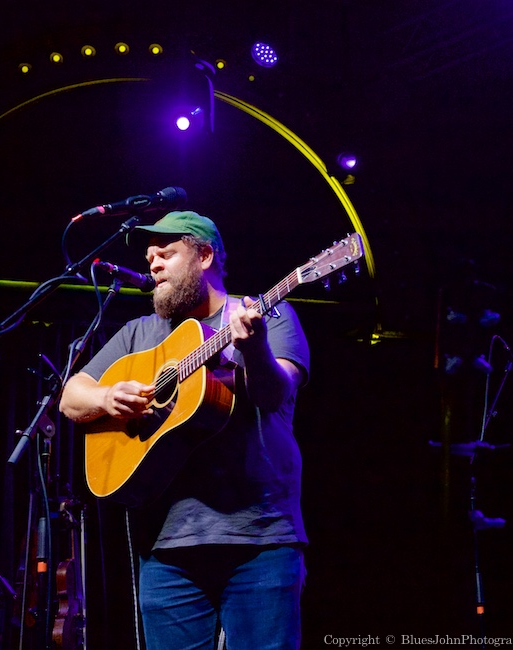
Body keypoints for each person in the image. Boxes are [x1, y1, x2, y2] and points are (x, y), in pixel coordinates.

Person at [60, 210, 310, 650]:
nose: (152, 264)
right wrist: (105, 398)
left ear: (205, 256)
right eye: (149, 256)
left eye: (167, 254)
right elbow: (70, 396)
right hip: (166, 547)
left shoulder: (266, 313)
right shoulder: (139, 333)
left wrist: (254, 351)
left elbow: (275, 394)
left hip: (260, 539)